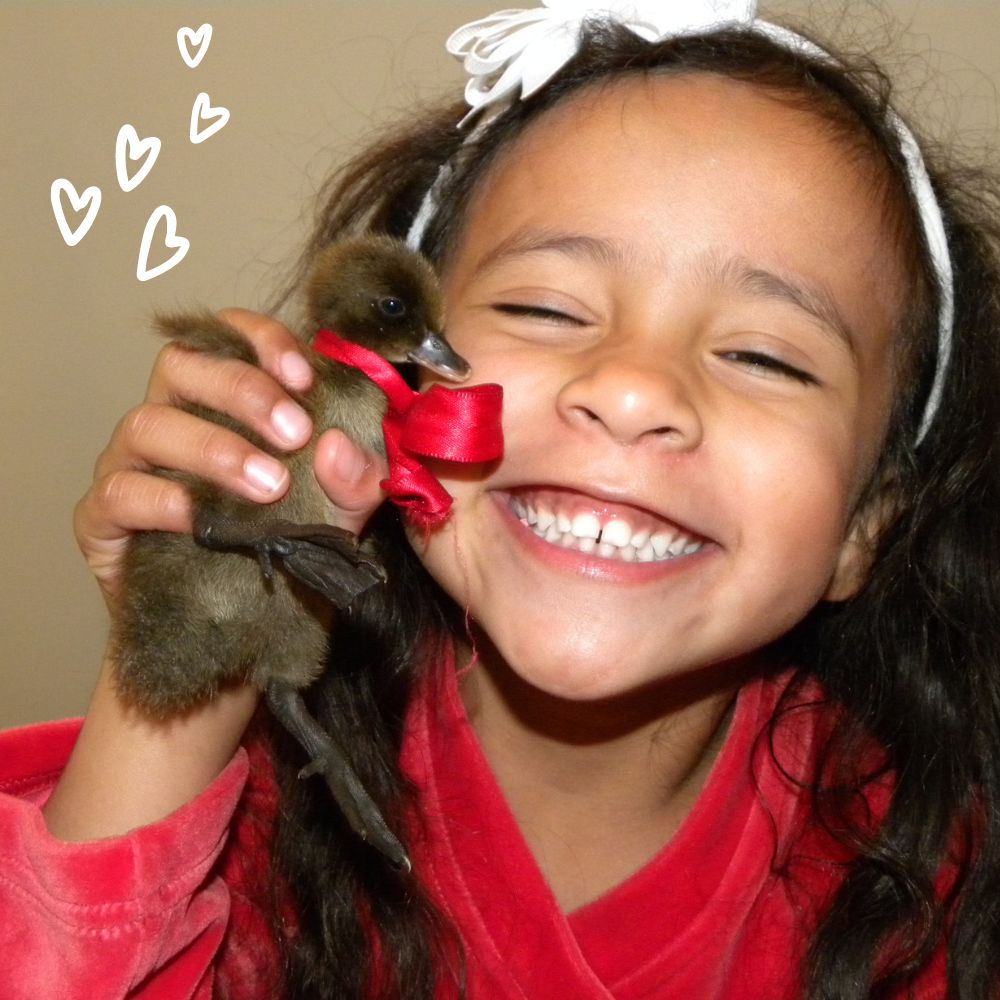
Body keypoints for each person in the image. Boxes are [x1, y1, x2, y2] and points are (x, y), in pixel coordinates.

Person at [2, 2, 998, 998]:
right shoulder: (257, 823)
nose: (631, 388)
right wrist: (194, 656)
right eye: (543, 308)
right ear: (401, 385)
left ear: (865, 524)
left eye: (761, 355)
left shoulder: (929, 893)